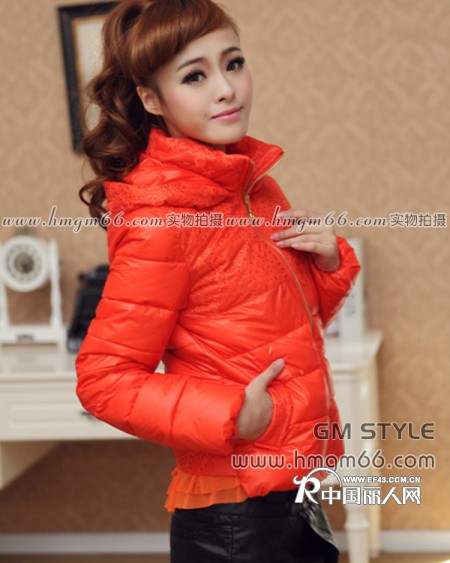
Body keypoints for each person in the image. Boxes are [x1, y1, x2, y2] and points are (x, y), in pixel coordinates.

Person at [76, 0, 361, 561]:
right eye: (195, 76)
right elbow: (103, 381)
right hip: (234, 515)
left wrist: (330, 265)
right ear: (151, 99)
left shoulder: (254, 188)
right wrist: (233, 413)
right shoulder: (162, 219)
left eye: (234, 63)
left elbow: (277, 330)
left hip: (293, 489)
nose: (227, 89)